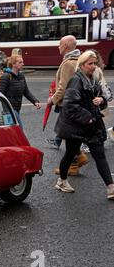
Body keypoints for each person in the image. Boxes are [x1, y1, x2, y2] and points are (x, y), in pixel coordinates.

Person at [54, 50, 114, 199]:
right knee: (69, 155)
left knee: (99, 156)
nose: (93, 66)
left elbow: (101, 97)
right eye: (90, 64)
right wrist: (89, 118)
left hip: (91, 125)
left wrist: (101, 100)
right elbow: (69, 105)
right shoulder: (76, 80)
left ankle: (111, 188)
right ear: (81, 65)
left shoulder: (93, 79)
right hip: (76, 126)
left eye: (95, 63)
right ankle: (61, 181)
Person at [47, 35, 89, 175]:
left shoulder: (68, 63)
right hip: (77, 103)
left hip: (67, 104)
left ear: (65, 46)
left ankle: (76, 161)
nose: (58, 47)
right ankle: (76, 161)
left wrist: (52, 100)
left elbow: (63, 87)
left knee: (66, 134)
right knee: (69, 135)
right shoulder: (79, 60)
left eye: (60, 44)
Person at [0, 55, 41, 129]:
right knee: (19, 130)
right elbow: (1, 95)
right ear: (13, 64)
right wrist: (4, 110)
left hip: (17, 107)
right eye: (20, 62)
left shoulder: (21, 76)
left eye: (22, 62)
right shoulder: (5, 77)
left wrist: (35, 101)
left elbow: (26, 91)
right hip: (9, 109)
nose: (23, 64)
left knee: (11, 131)